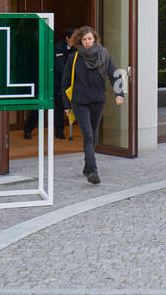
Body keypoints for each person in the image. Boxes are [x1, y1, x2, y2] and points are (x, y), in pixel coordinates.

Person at [62, 25, 125, 185]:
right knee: (88, 135)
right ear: (80, 41)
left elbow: (115, 75)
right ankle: (92, 171)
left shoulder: (104, 55)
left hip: (98, 100)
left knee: (93, 136)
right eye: (84, 39)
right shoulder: (74, 58)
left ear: (94, 39)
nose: (87, 42)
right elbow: (65, 82)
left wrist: (119, 94)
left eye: (90, 39)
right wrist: (67, 105)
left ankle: (86, 166)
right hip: (80, 102)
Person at [25, 28, 75, 140]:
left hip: (62, 84)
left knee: (60, 107)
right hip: (49, 82)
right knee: (40, 107)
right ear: (67, 38)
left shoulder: (74, 49)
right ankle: (28, 129)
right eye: (73, 38)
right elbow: (60, 67)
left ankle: (59, 132)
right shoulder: (58, 47)